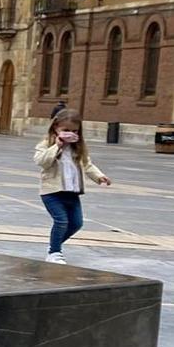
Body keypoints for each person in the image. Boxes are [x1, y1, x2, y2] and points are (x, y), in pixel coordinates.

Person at [33, 109, 111, 264]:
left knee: (76, 223)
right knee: (61, 221)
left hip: (72, 192)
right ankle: (54, 252)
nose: (70, 134)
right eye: (66, 130)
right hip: (52, 192)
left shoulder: (78, 147)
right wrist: (57, 147)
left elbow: (87, 165)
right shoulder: (46, 144)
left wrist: (99, 176)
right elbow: (41, 161)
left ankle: (53, 246)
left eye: (74, 131)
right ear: (56, 128)